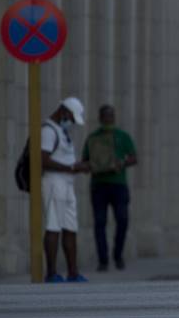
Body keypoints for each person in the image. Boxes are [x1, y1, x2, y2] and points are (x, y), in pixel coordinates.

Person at [82, 105, 138, 271]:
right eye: (105, 116)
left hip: (118, 184)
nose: (108, 118)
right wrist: (92, 165)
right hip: (99, 185)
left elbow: (134, 158)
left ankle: (118, 255)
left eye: (111, 115)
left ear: (114, 117)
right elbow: (85, 161)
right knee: (100, 222)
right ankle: (103, 260)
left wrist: (122, 163)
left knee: (122, 219)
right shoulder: (93, 138)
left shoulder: (122, 136)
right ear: (100, 118)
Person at [41, 97, 89, 283]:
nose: (72, 123)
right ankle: (51, 272)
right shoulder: (48, 131)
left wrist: (78, 167)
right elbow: (43, 160)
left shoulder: (61, 131)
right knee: (53, 225)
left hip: (68, 183)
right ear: (63, 111)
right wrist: (71, 167)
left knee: (70, 227)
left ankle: (73, 272)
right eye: (71, 118)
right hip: (54, 182)